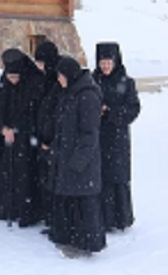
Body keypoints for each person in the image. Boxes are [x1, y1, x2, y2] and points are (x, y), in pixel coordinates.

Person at [49, 56, 106, 257]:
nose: (58, 80)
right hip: (67, 157)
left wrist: (77, 162)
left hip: (81, 163)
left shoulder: (87, 96)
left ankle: (86, 244)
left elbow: (89, 134)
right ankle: (72, 240)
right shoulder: (70, 93)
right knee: (70, 202)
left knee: (84, 204)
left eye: (60, 76)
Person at [0, 48, 43, 226]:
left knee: (26, 174)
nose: (13, 81)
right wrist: (3, 127)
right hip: (9, 136)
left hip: (28, 137)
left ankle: (26, 210)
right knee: (8, 172)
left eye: (16, 77)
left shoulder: (34, 81)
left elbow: (34, 112)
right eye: (10, 77)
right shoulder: (5, 81)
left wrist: (19, 129)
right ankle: (7, 208)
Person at [93, 41, 141, 232]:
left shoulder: (126, 82)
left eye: (108, 63)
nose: (105, 66)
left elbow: (133, 109)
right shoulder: (93, 80)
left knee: (117, 177)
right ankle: (102, 218)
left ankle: (120, 218)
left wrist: (110, 111)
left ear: (115, 62)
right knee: (99, 178)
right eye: (102, 63)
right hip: (96, 136)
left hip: (117, 137)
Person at [33, 39, 61, 230]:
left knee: (53, 179)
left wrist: (49, 138)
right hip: (42, 133)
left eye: (42, 62)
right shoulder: (42, 78)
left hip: (53, 137)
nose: (39, 67)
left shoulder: (57, 80)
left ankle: (53, 218)